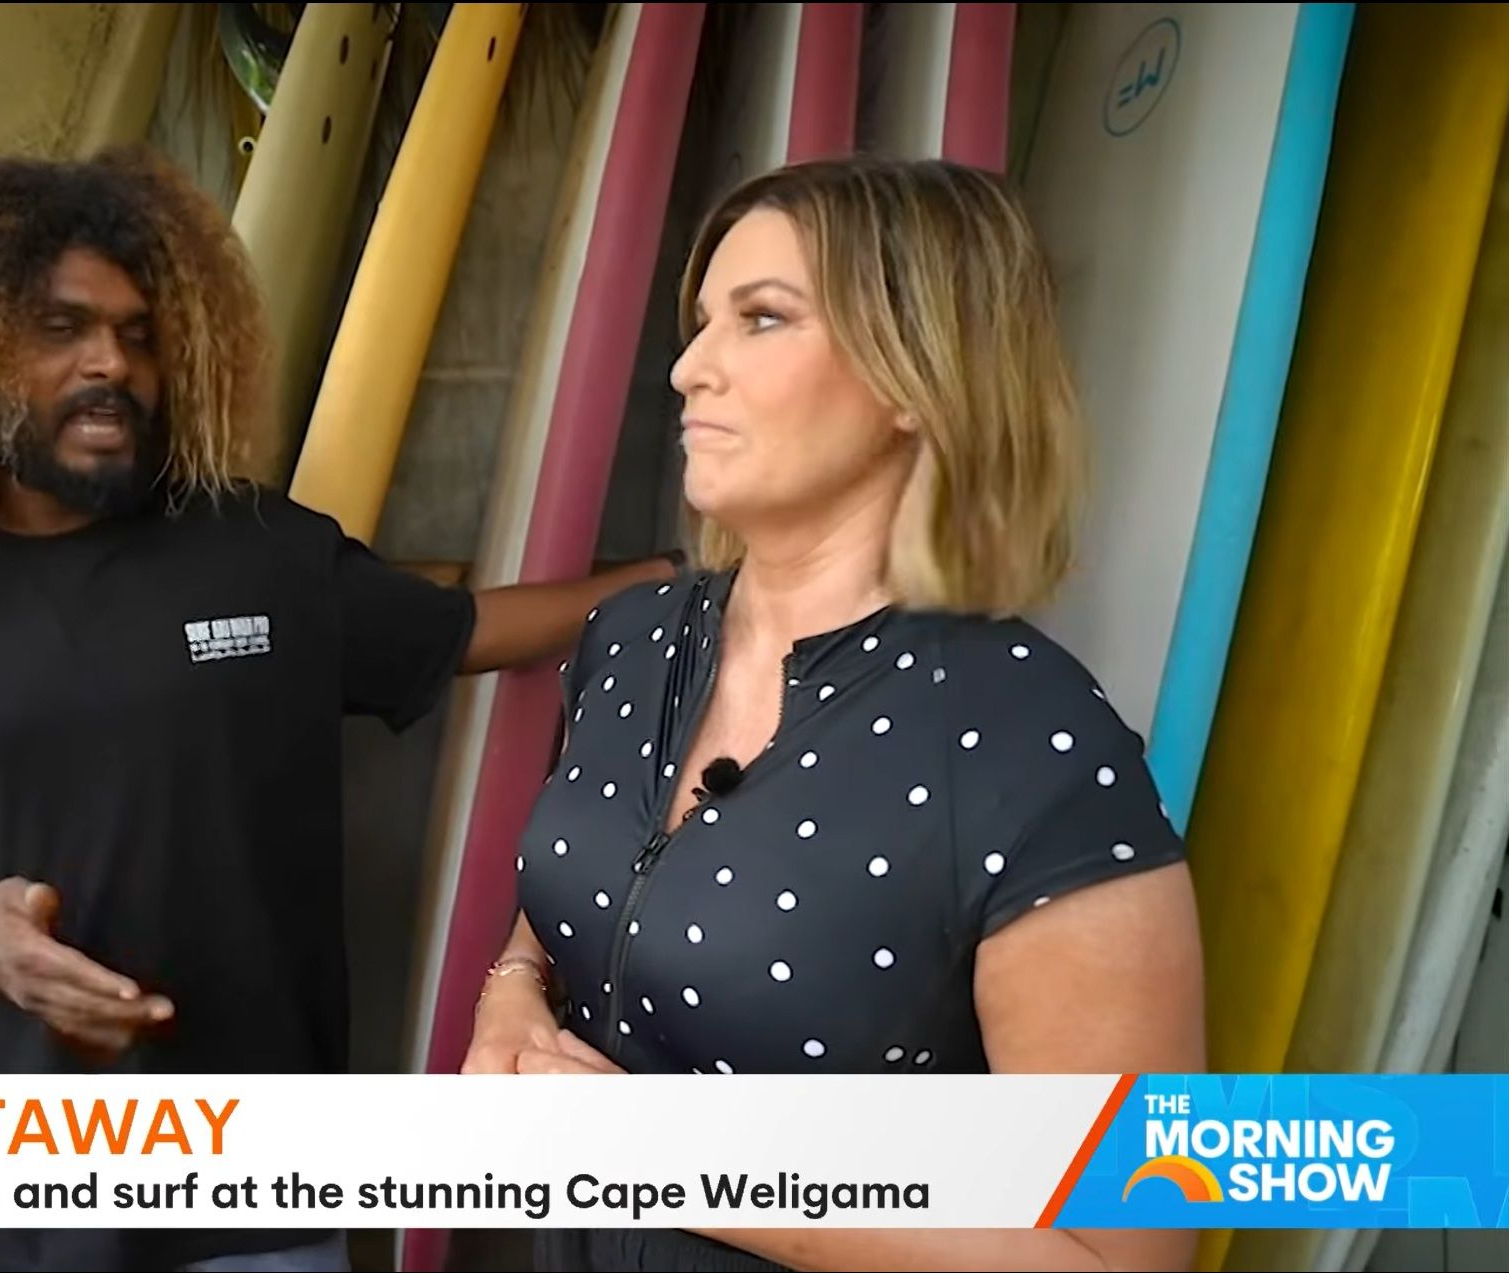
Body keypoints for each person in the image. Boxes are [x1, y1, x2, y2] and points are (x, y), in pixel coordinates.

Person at [0, 146, 673, 1273]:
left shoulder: (256, 552)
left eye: (137, 333)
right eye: (61, 329)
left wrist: (683, 583)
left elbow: (467, 631)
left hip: (264, 1203)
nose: (112, 361)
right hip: (23, 1205)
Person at [461, 155, 1207, 1272]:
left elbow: (1117, 1252)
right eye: (700, 322)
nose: (687, 367)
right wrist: (512, 993)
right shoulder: (631, 639)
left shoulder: (1027, 741)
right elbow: (596, 881)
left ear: (914, 373)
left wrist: (658, 1157)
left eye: (760, 318)